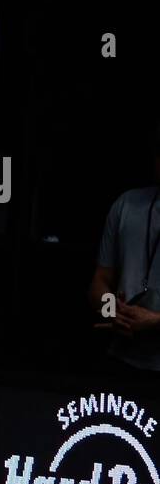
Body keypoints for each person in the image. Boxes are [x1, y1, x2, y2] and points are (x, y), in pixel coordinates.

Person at [88, 122, 160, 376]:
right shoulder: (127, 205)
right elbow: (101, 279)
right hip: (123, 359)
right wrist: (111, 310)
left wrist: (155, 321)